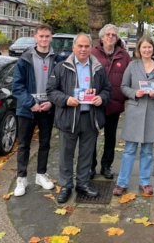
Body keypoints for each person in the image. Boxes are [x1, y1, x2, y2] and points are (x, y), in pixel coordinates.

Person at [46, 33, 112, 203]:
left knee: (86, 154)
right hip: (68, 116)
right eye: (80, 46)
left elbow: (107, 89)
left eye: (86, 46)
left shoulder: (98, 68)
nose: (83, 49)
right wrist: (66, 99)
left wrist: (102, 98)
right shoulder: (61, 67)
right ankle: (66, 185)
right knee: (66, 154)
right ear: (73, 47)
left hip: (90, 117)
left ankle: (82, 183)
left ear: (91, 48)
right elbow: (51, 91)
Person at [113, 36, 154, 196]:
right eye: (144, 47)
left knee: (147, 150)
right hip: (135, 111)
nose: (147, 50)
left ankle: (145, 182)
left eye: (149, 47)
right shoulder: (132, 66)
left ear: (153, 49)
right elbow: (123, 86)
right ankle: (122, 183)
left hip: (153, 111)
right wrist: (134, 93)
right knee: (129, 149)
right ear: (139, 49)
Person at [12, 24, 62, 197]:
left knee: (45, 143)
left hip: (47, 108)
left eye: (47, 36)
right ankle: (21, 178)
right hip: (27, 109)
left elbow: (61, 85)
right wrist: (30, 103)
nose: (44, 39)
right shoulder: (24, 59)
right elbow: (17, 87)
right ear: (35, 37)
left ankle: (41, 174)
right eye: (41, 36)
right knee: (24, 144)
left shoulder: (57, 59)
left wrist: (51, 102)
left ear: (51, 37)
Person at [91, 24, 132, 179]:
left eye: (113, 35)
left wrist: (125, 96)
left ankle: (106, 166)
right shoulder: (92, 53)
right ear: (102, 37)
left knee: (110, 137)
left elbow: (130, 77)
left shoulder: (124, 55)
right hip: (95, 102)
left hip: (114, 102)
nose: (110, 37)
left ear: (117, 38)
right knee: (92, 136)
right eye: (107, 34)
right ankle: (90, 166)